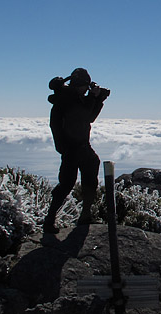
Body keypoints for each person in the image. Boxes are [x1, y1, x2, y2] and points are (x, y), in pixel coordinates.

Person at [43, 68, 110, 233]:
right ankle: (51, 220)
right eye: (85, 87)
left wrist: (98, 99)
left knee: (84, 175)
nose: (86, 90)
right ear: (80, 85)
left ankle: (83, 216)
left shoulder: (72, 98)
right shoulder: (68, 99)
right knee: (67, 184)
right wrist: (95, 97)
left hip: (78, 147)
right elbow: (84, 115)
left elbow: (89, 117)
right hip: (73, 148)